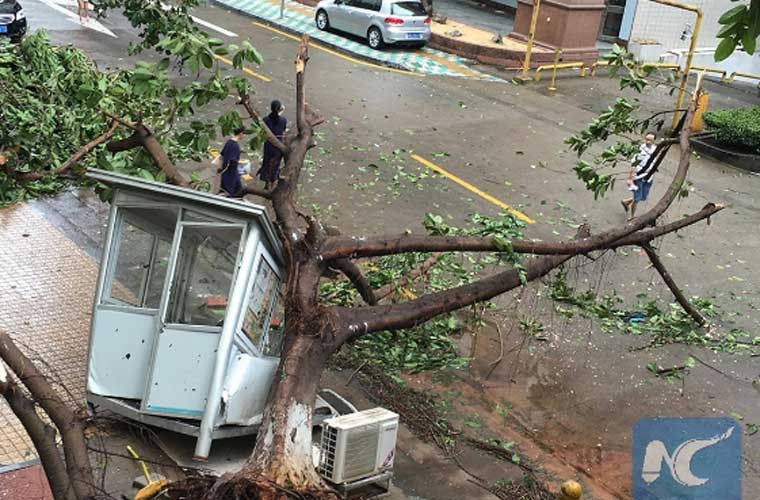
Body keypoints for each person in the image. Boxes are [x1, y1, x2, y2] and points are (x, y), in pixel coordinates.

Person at [622, 132, 657, 220]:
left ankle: (626, 202)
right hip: (639, 177)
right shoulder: (639, 149)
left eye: (650, 140)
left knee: (643, 197)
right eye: (647, 139)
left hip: (649, 177)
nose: (648, 142)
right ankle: (632, 216)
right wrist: (630, 177)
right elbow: (633, 164)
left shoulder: (655, 149)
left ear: (654, 141)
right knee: (637, 199)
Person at [257, 100, 287, 190]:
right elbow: (283, 128)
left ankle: (266, 183)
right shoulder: (283, 121)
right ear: (279, 109)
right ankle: (273, 181)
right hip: (278, 146)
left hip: (268, 145)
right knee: (275, 164)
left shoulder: (265, 120)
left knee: (266, 162)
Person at [218, 127, 246, 198]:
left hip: (226, 171)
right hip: (231, 172)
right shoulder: (235, 146)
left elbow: (223, 154)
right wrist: (240, 162)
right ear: (240, 134)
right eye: (244, 134)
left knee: (234, 188)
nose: (244, 136)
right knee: (232, 191)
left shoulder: (229, 142)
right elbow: (233, 161)